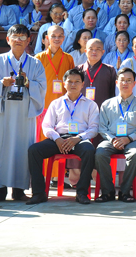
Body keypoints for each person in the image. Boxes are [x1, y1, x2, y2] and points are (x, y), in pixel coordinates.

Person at [0, 24, 47, 202]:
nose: (18, 40)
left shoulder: (35, 63)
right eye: (15, 37)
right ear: (8, 39)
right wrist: (0, 84)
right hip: (3, 112)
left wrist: (28, 83)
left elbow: (42, 88)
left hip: (24, 113)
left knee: (22, 149)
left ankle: (19, 190)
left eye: (22, 37)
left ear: (29, 40)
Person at [26, 69, 98, 204]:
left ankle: (82, 193)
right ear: (64, 84)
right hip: (58, 138)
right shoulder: (56, 103)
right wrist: (57, 138)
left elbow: (94, 128)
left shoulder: (91, 105)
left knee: (89, 151)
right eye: (70, 81)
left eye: (77, 81)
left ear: (83, 84)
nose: (73, 84)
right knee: (34, 150)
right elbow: (47, 126)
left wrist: (78, 138)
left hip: (79, 139)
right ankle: (39, 193)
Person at [95, 67, 136, 202]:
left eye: (129, 80)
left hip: (132, 140)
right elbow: (102, 127)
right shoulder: (107, 104)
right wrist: (113, 139)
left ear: (134, 83)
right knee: (100, 153)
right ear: (116, 83)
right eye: (122, 80)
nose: (125, 83)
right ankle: (108, 192)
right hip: (111, 139)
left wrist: (129, 138)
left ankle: (124, 192)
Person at [35, 25, 76, 141]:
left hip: (63, 103)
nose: (57, 39)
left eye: (60, 36)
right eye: (53, 36)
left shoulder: (68, 58)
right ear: (47, 38)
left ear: (64, 38)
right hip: (44, 102)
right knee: (43, 137)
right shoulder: (39, 57)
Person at [76, 38, 117, 111]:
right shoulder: (78, 70)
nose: (94, 52)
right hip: (81, 111)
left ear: (103, 52)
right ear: (85, 51)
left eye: (98, 49)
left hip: (103, 111)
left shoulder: (110, 70)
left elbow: (113, 93)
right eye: (91, 49)